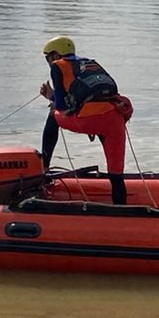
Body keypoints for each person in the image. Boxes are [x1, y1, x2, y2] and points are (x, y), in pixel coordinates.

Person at [39, 36, 131, 205]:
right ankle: (121, 211)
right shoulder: (90, 63)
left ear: (55, 54)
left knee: (53, 116)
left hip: (91, 118)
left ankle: (43, 167)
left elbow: (62, 106)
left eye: (47, 57)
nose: (48, 61)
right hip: (115, 117)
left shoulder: (58, 66)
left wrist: (51, 97)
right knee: (116, 175)